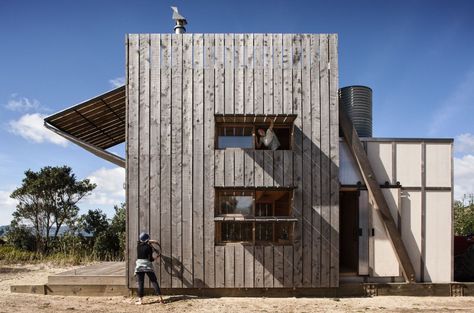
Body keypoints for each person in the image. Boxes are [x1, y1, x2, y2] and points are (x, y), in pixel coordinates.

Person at [135, 232, 164, 305]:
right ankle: (160, 299)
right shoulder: (149, 247)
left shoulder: (138, 246)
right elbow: (150, 259)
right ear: (147, 239)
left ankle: (140, 301)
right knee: (154, 281)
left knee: (140, 283)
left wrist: (149, 241)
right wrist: (156, 257)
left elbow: (142, 242)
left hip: (139, 267)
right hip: (148, 266)